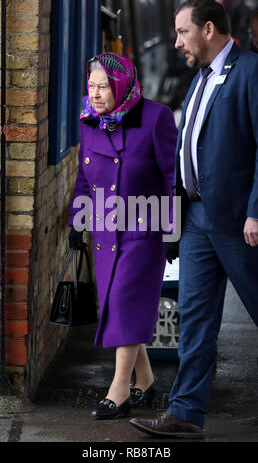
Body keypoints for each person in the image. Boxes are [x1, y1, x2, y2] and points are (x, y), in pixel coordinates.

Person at [130, 0, 258, 438]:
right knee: (195, 317)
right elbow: (187, 151)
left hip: (239, 223)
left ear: (208, 30)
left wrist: (257, 212)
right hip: (197, 219)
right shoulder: (199, 80)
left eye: (182, 32)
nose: (177, 42)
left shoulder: (249, 72)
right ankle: (185, 412)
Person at [68, 52, 178, 419]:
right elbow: (85, 177)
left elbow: (169, 178)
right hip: (104, 230)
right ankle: (144, 380)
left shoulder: (156, 118)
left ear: (122, 85)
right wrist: (76, 221)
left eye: (103, 86)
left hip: (144, 229)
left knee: (126, 302)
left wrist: (171, 229)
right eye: (91, 86)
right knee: (117, 305)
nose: (95, 94)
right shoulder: (89, 122)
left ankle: (119, 390)